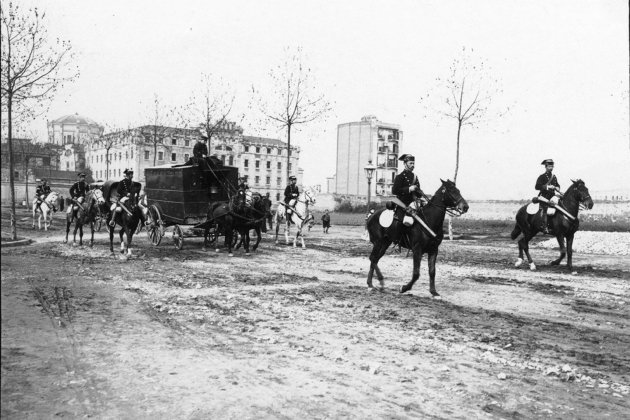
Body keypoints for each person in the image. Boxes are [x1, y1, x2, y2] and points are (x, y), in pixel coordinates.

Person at [535, 158, 561, 234]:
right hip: (544, 197)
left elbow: (558, 185)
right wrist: (548, 187)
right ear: (546, 167)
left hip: (553, 196)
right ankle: (545, 227)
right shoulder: (542, 176)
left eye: (552, 166)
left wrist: (557, 187)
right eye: (549, 166)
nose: (551, 168)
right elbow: (537, 186)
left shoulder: (554, 176)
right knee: (545, 209)